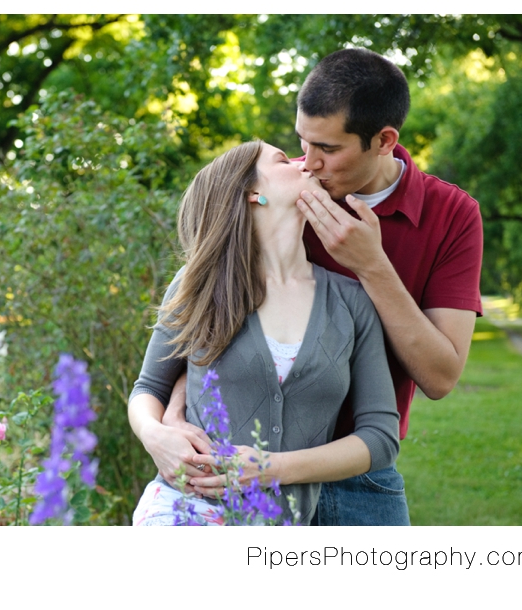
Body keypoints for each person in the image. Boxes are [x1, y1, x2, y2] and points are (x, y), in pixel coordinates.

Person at [161, 48, 484, 526]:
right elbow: (204, 308)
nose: (308, 163)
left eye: (328, 149)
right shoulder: (279, 194)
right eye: (301, 142)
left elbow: (440, 377)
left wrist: (372, 266)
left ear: (384, 140)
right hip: (239, 474)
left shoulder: (451, 215)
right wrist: (166, 419)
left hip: (361, 477)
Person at [128, 139, 400, 526]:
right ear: (252, 193)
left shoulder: (351, 301)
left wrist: (273, 468)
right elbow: (148, 388)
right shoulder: (199, 284)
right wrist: (154, 436)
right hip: (184, 510)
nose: (305, 163)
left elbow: (381, 438)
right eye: (283, 160)